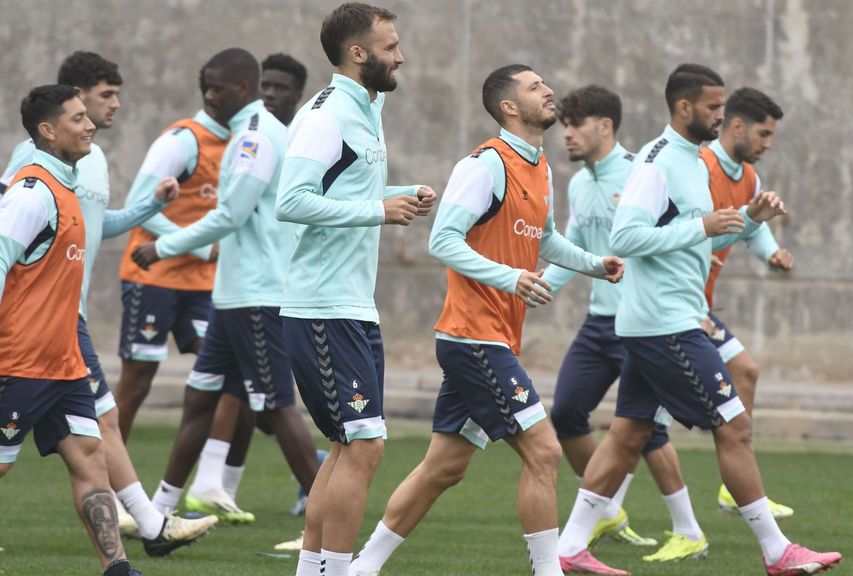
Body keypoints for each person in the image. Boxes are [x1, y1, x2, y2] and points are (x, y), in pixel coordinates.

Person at [556, 64, 841, 576]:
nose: (720, 115)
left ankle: (569, 546)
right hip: (665, 323)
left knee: (627, 435)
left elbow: (697, 242)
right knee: (735, 428)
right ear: (684, 107)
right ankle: (777, 551)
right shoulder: (659, 162)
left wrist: (748, 221)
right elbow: (625, 238)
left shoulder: (694, 161)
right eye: (713, 107)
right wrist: (699, 225)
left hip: (664, 318)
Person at [349, 64, 623, 576]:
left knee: (443, 468)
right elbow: (441, 241)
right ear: (509, 108)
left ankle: (361, 568)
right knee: (544, 451)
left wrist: (595, 265)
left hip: (491, 338)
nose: (549, 90)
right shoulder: (484, 164)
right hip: (473, 338)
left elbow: (543, 239)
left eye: (546, 83)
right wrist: (510, 278)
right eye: (535, 87)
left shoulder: (539, 165)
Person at [0, 52, 219, 556]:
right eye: (100, 98)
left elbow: (96, 226)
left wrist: (150, 208)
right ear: (51, 126)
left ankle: (131, 549)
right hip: (32, 330)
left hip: (63, 322)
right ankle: (151, 524)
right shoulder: (32, 172)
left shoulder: (83, 165)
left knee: (94, 441)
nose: (111, 107)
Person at [273, 4, 435, 575]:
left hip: (352, 307)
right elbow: (290, 202)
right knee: (364, 445)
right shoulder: (324, 116)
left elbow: (349, 189)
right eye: (390, 47)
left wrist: (399, 193)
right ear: (358, 53)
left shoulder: (368, 104)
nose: (401, 55)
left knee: (347, 446)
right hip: (321, 307)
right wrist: (377, 209)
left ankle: (314, 572)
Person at [133, 49, 320, 531]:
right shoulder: (257, 131)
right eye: (206, 87)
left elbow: (230, 216)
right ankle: (159, 511)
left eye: (217, 88)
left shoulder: (254, 138)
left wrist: (164, 247)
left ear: (243, 88)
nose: (208, 96)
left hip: (257, 293)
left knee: (277, 407)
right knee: (199, 398)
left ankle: (326, 524)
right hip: (234, 293)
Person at [543, 84, 708, 563]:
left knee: (644, 429)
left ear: (605, 127)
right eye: (565, 126)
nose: (567, 135)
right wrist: (534, 290)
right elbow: (573, 249)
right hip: (599, 323)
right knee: (567, 413)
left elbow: (681, 238)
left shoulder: (643, 170)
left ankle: (688, 528)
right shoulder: (577, 183)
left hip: (642, 321)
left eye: (575, 126)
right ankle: (607, 509)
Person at [0, 84, 140, 576]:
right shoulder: (32, 192)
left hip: (64, 364)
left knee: (89, 458)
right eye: (78, 118)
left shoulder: (66, 187)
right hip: (20, 364)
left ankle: (117, 569)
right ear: (48, 130)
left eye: (88, 116)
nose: (90, 125)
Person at [113, 65, 230, 443]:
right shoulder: (180, 141)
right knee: (137, 384)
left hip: (201, 284)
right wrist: (199, 246)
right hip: (154, 277)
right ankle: (107, 480)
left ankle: (212, 482)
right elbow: (138, 206)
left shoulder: (243, 143)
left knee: (232, 375)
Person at [700, 86, 795, 518]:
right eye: (764, 134)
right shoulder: (698, 169)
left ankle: (732, 488)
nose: (767, 145)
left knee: (746, 371)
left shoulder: (749, 179)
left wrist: (770, 251)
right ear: (736, 125)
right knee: (639, 429)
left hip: (695, 307)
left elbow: (751, 229)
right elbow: (687, 236)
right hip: (672, 309)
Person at [262, 52, 308, 125]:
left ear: (298, 96)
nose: (269, 94)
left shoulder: (303, 134)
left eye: (280, 88)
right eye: (265, 85)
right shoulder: (242, 131)